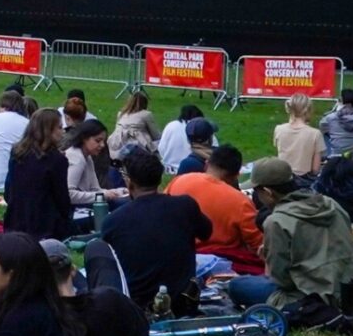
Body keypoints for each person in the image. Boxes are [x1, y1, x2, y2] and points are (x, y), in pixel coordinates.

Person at [227, 160, 353, 326]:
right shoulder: (331, 204)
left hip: (310, 294)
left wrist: (268, 258)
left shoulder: (276, 221)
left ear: (267, 192)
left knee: (237, 286)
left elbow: (282, 280)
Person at [102, 150, 211, 316]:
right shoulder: (185, 205)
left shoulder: (113, 221)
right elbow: (206, 233)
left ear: (129, 182)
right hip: (184, 301)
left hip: (138, 306)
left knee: (97, 252)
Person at [167, 144, 265, 276]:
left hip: (179, 256)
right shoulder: (240, 201)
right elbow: (258, 245)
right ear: (236, 175)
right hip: (223, 264)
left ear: (207, 164)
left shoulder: (178, 181)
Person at [4, 108, 72, 240]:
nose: (62, 131)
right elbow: (61, 197)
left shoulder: (17, 153)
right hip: (44, 225)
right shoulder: (56, 160)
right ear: (48, 130)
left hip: (15, 220)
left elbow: (9, 189)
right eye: (59, 128)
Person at [64, 118, 121, 208]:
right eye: (97, 141)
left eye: (103, 141)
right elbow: (68, 194)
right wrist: (102, 195)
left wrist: (118, 192)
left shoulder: (87, 157)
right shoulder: (77, 158)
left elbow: (95, 189)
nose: (102, 145)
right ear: (84, 139)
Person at [273, 93, 326, 178]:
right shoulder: (315, 134)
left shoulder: (278, 129)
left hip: (282, 178)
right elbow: (315, 169)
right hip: (304, 181)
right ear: (308, 110)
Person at [155, 104, 204, 172]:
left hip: (168, 167)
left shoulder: (171, 125)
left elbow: (161, 148)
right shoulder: (199, 128)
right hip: (191, 168)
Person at [109, 91, 157, 158]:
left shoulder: (120, 114)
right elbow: (156, 135)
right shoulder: (146, 114)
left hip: (117, 146)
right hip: (137, 147)